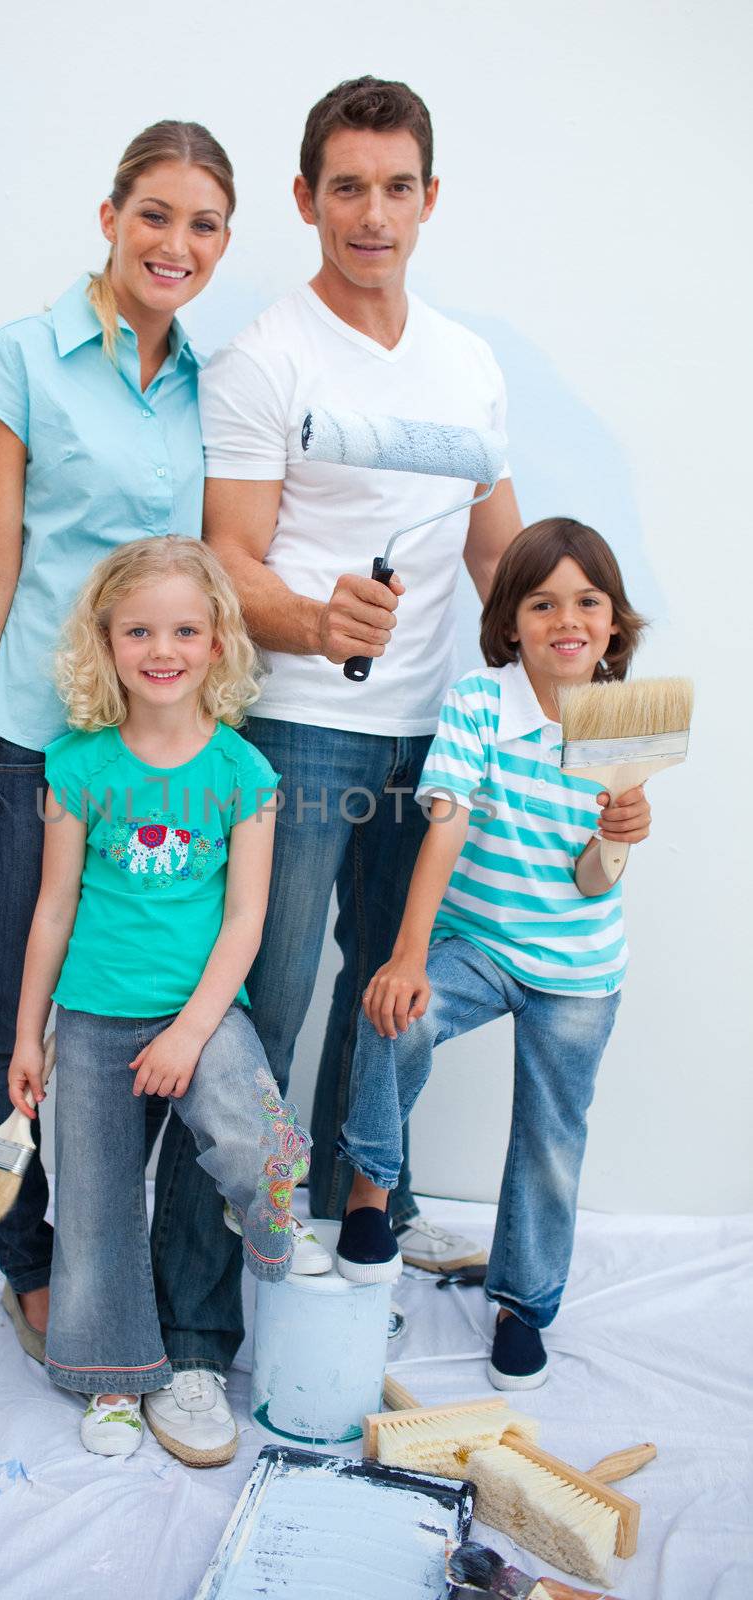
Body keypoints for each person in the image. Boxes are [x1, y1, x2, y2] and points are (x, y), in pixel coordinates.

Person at [147, 75, 523, 1442]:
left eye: (398, 186)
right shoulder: (266, 358)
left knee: (387, 1003)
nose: (374, 214)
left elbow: (499, 553)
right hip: (298, 734)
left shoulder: (469, 365)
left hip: (430, 742)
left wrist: (581, 661)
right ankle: (194, 1335)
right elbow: (225, 559)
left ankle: (367, 1223)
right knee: (251, 1016)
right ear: (307, 201)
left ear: (431, 198)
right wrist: (313, 617)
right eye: (347, 187)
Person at [0, 121, 236, 1362]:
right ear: (108, 217)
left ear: (224, 240)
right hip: (29, 748)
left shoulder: (214, 382)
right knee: (12, 1010)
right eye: (154, 214)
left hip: (161, 749)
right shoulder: (18, 357)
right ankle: (26, 1259)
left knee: (139, 995)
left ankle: (115, 1245)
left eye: (202, 224)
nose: (175, 244)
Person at [6, 536, 309, 1460]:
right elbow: (54, 910)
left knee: (261, 1140)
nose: (162, 648)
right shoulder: (80, 765)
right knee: (95, 1204)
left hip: (204, 1012)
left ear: (218, 641)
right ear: (106, 643)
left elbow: (247, 921)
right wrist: (32, 1035)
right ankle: (110, 1377)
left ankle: (246, 1214)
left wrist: (189, 1032)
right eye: (138, 630)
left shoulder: (244, 774)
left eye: (184, 628)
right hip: (95, 1017)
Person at [333, 517, 651, 1390]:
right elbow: (448, 821)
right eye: (542, 603)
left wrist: (617, 837)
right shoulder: (479, 701)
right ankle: (371, 1194)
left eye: (588, 601)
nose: (567, 620)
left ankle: (523, 1304)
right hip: (478, 942)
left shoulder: (620, 721)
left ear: (613, 623)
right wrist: (406, 955)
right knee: (396, 1014)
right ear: (510, 622)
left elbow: (593, 882)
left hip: (580, 971)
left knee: (552, 1139)